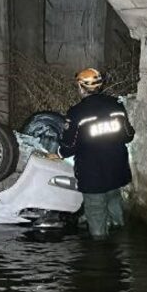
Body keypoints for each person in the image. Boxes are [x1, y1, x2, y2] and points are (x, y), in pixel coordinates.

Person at [58, 68, 135, 239]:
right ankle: (122, 243)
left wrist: (58, 153)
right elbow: (128, 135)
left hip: (93, 177)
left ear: (81, 87)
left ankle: (100, 256)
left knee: (96, 215)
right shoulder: (116, 105)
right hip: (116, 171)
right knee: (115, 206)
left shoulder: (77, 113)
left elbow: (68, 147)